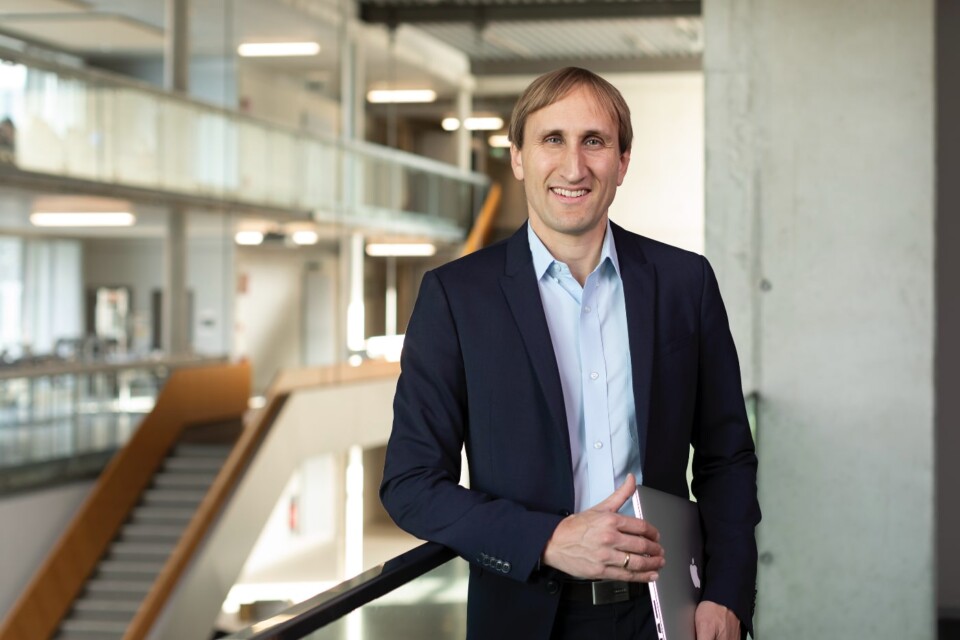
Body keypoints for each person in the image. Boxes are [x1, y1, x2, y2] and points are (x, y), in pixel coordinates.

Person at [380, 67, 760, 640]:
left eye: (595, 142)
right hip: (526, 614)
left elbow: (726, 457)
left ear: (623, 162)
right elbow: (410, 483)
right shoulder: (456, 297)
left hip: (668, 612)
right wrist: (549, 539)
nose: (574, 166)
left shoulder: (685, 283)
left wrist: (726, 595)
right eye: (552, 139)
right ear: (518, 157)